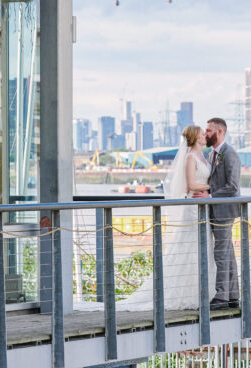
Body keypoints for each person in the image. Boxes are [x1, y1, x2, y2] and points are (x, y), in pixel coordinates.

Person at [84, 125, 216, 312]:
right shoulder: (190, 157)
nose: (205, 136)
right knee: (189, 246)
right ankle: (185, 293)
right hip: (193, 207)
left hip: (203, 206)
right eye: (202, 134)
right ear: (195, 138)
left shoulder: (204, 156)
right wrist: (211, 187)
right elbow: (191, 184)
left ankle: (199, 290)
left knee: (202, 247)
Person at [204, 117, 241, 310]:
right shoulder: (211, 155)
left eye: (209, 130)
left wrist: (210, 195)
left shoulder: (230, 154)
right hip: (215, 210)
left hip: (225, 211)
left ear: (220, 132)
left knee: (221, 253)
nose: (205, 134)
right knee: (227, 252)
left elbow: (233, 186)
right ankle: (233, 295)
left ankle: (221, 296)